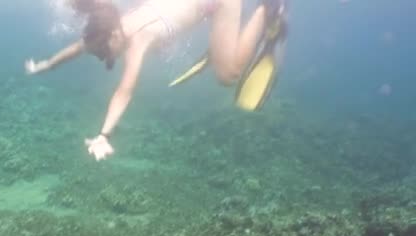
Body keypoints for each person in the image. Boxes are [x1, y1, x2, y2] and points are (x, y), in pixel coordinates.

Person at [25, 0, 288, 161]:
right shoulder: (106, 25)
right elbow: (76, 48)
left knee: (227, 75)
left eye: (104, 51)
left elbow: (124, 91)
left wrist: (104, 135)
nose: (102, 56)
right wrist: (45, 65)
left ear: (116, 35)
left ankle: (269, 8)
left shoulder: (139, 38)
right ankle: (220, 42)